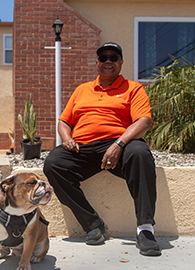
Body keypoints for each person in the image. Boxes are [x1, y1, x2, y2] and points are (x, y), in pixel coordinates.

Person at [43, 42, 161, 256]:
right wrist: (66, 138)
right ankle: (93, 224)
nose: (108, 61)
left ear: (121, 62)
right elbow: (64, 121)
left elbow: (143, 121)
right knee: (53, 163)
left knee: (140, 153)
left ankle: (145, 229)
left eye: (113, 58)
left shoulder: (133, 88)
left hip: (120, 145)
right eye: (103, 57)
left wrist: (119, 144)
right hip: (83, 148)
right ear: (97, 62)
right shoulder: (82, 90)